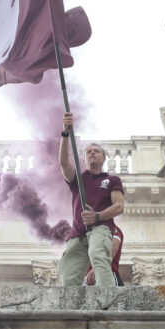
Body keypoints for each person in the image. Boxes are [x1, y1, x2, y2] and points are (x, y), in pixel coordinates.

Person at [58, 111, 124, 287]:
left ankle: (107, 296)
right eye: (88, 152)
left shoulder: (111, 180)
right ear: (85, 158)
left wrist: (97, 216)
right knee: (69, 272)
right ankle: (69, 309)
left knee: (98, 253)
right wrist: (65, 132)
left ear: (103, 158)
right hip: (78, 234)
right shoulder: (79, 179)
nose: (92, 153)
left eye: (96, 151)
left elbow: (119, 206)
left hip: (101, 227)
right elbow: (63, 163)